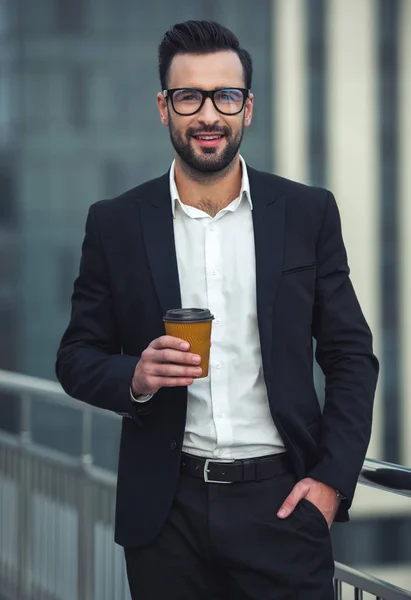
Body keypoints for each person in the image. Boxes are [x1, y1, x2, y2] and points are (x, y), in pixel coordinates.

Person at [56, 20, 379, 600]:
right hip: (165, 514)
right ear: (164, 107)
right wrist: (133, 375)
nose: (208, 114)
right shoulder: (116, 223)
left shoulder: (306, 213)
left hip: (282, 507)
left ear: (247, 107)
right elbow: (76, 356)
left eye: (225, 95)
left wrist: (332, 481)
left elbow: (352, 356)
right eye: (189, 96)